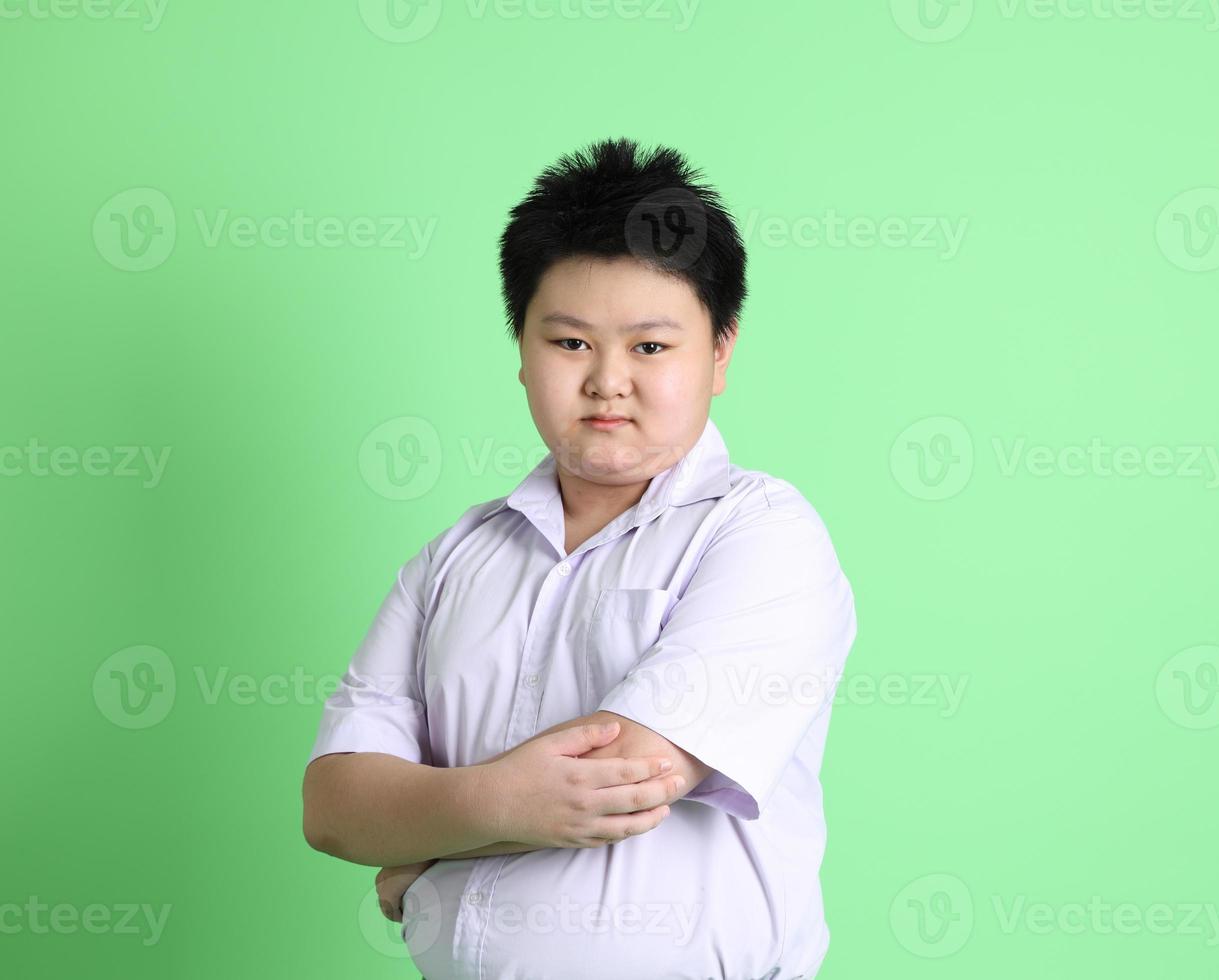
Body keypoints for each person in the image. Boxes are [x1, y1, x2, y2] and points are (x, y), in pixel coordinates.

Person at [301, 137, 857, 980]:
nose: (606, 381)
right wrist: (469, 816)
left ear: (720, 353)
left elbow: (630, 776)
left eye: (650, 347)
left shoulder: (761, 533)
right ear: (521, 352)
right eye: (569, 344)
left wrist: (426, 839)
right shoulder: (455, 557)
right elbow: (334, 807)